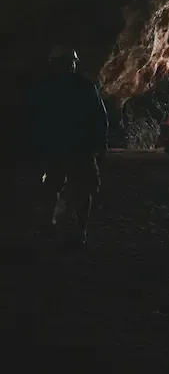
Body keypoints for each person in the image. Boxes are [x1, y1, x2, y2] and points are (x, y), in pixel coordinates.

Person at [31, 46, 108, 247]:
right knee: (84, 188)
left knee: (52, 184)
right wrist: (100, 144)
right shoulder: (84, 86)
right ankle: (80, 229)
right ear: (71, 64)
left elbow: (35, 117)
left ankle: (49, 222)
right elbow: (100, 117)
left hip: (55, 146)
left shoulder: (45, 87)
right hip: (80, 147)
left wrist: (37, 143)